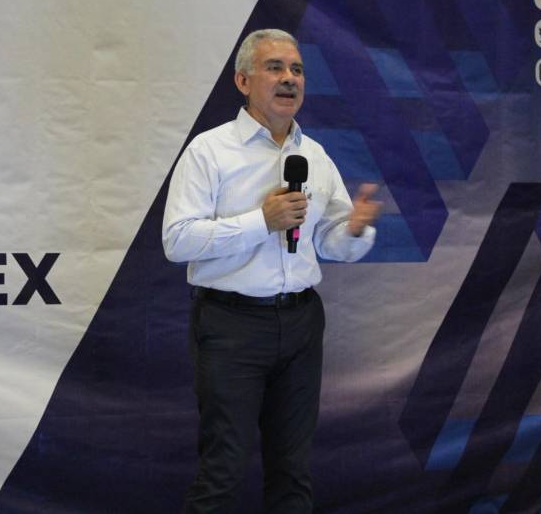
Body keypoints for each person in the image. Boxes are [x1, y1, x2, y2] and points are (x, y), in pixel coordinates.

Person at [162, 29, 381, 512]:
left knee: (293, 471)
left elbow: (329, 241)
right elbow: (177, 241)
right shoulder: (209, 151)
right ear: (243, 81)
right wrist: (261, 221)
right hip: (230, 326)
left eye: (297, 70)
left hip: (301, 323)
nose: (289, 78)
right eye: (275, 68)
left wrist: (354, 230)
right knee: (223, 469)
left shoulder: (314, 156)